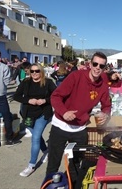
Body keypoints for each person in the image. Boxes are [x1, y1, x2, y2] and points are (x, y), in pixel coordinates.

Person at [46, 52, 111, 187]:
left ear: (104, 68)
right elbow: (55, 96)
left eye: (101, 66)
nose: (98, 67)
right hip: (60, 126)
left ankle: (72, 185)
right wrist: (64, 112)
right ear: (89, 64)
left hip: (80, 129)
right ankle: (49, 185)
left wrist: (105, 114)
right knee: (54, 163)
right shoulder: (76, 76)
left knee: (75, 164)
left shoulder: (103, 85)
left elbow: (107, 105)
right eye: (95, 64)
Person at [13, 63, 56, 177]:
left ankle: (31, 165)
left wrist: (45, 101)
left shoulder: (48, 82)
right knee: (36, 135)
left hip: (43, 114)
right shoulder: (25, 82)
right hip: (27, 115)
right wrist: (28, 100)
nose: (34, 73)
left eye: (37, 71)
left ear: (41, 71)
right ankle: (46, 151)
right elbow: (16, 96)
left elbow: (56, 95)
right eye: (32, 71)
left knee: (35, 138)